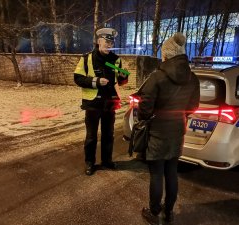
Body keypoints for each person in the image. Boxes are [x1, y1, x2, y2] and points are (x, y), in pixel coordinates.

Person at [138, 32, 200, 224]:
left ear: (165, 55)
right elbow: (193, 106)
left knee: (157, 173)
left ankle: (154, 212)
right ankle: (169, 212)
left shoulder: (157, 77)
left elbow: (144, 107)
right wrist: (181, 115)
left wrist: (148, 117)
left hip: (158, 131)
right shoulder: (193, 78)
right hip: (178, 130)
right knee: (171, 172)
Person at [74, 28, 128, 176]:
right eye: (106, 41)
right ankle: (89, 163)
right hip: (92, 104)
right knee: (91, 137)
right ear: (99, 42)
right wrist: (95, 81)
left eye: (111, 42)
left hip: (110, 104)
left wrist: (123, 76)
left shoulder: (116, 59)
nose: (109, 44)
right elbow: (77, 78)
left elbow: (121, 81)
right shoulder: (87, 59)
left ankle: (107, 161)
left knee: (108, 135)